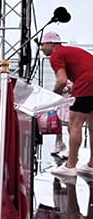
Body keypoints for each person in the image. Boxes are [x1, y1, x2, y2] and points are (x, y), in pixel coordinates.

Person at [40, 31, 93, 177]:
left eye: (42, 44)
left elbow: (62, 80)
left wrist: (53, 95)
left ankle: (70, 165)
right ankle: (91, 164)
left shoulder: (57, 54)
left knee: (74, 125)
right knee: (92, 126)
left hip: (86, 84)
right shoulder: (71, 51)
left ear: (51, 43)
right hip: (89, 82)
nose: (41, 48)